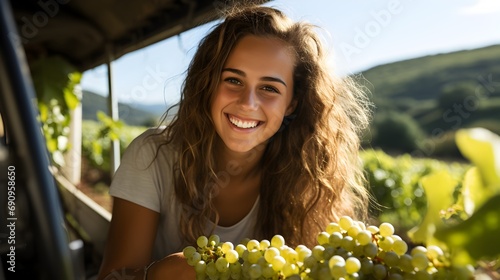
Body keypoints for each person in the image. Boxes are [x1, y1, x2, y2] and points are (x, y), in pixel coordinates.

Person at [97, 4, 372, 280]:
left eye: (269, 88)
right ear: (209, 84)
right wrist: (167, 271)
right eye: (233, 80)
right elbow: (114, 276)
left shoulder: (309, 177)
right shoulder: (152, 155)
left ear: (292, 104)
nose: (247, 103)